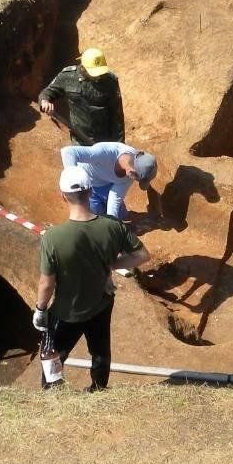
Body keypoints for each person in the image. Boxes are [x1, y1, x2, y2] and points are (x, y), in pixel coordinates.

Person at [33, 166, 149, 391]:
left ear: (62, 195)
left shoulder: (53, 238)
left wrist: (40, 309)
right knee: (100, 350)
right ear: (90, 192)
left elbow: (46, 283)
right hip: (101, 303)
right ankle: (98, 387)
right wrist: (113, 264)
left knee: (54, 353)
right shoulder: (113, 226)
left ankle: (51, 390)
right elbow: (142, 255)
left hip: (68, 312)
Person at [38, 48, 125, 147]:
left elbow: (117, 118)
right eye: (93, 73)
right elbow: (47, 93)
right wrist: (44, 101)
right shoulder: (68, 77)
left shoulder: (110, 81)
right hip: (79, 142)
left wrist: (119, 147)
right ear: (83, 67)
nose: (98, 76)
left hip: (105, 143)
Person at [60, 142, 158, 222]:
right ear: (132, 172)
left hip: (106, 184)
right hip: (87, 184)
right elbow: (68, 152)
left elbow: (115, 196)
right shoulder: (106, 152)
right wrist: (72, 180)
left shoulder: (130, 175)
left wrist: (112, 223)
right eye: (138, 179)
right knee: (94, 218)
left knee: (120, 216)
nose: (135, 180)